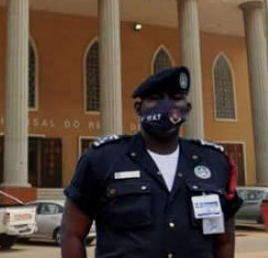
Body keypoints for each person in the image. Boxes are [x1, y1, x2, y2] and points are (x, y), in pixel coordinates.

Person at [61, 66, 242, 258]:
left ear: (187, 109)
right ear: (138, 108)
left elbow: (224, 241)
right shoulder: (103, 159)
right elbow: (72, 234)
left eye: (175, 97)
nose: (166, 105)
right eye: (155, 98)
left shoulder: (214, 162)